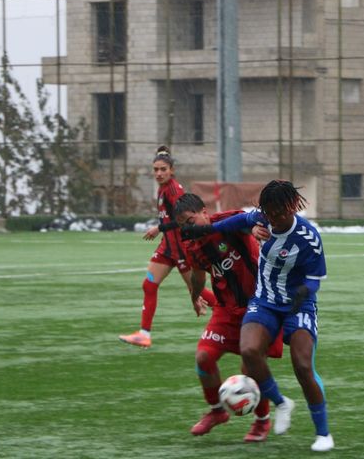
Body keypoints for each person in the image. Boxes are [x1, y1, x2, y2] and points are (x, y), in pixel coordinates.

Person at [182, 180, 334, 453]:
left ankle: (323, 433)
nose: (272, 218)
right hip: (264, 301)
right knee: (249, 350)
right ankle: (281, 403)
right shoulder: (261, 218)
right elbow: (229, 224)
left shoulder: (309, 237)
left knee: (302, 366)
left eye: (278, 213)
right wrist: (209, 229)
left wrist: (302, 293)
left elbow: (315, 280)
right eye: (268, 213)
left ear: (290, 207)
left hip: (298, 306)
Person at [175, 192, 283, 441]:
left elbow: (252, 220)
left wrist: (255, 229)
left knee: (250, 366)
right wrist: (194, 295)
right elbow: (199, 275)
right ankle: (216, 411)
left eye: (191, 222)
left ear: (204, 211)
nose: (188, 229)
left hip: (259, 306)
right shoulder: (192, 245)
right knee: (204, 357)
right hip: (226, 310)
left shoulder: (226, 222)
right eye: (183, 226)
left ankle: (262, 420)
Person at [119, 146, 209, 349]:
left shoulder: (174, 190)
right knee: (149, 285)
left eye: (163, 169)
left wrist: (158, 228)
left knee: (197, 290)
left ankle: (238, 311)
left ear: (172, 170)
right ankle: (144, 334)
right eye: (156, 169)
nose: (158, 173)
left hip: (180, 248)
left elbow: (183, 220)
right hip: (167, 248)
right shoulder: (163, 189)